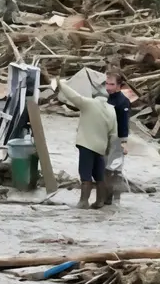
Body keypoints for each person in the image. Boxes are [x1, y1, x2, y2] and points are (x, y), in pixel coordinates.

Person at [54, 77, 118, 209]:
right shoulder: (112, 110)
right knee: (99, 175)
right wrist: (109, 149)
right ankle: (100, 201)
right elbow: (113, 133)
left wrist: (60, 83)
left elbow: (73, 96)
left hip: (87, 145)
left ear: (95, 95)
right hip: (101, 147)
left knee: (85, 174)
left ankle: (84, 201)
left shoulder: (89, 103)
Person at [105, 68, 131, 206]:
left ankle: (114, 199)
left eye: (111, 84)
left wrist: (124, 142)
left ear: (119, 86)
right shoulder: (103, 98)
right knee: (103, 167)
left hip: (117, 138)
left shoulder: (123, 101)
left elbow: (124, 123)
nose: (108, 87)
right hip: (103, 138)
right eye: (106, 84)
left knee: (114, 169)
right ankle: (104, 198)